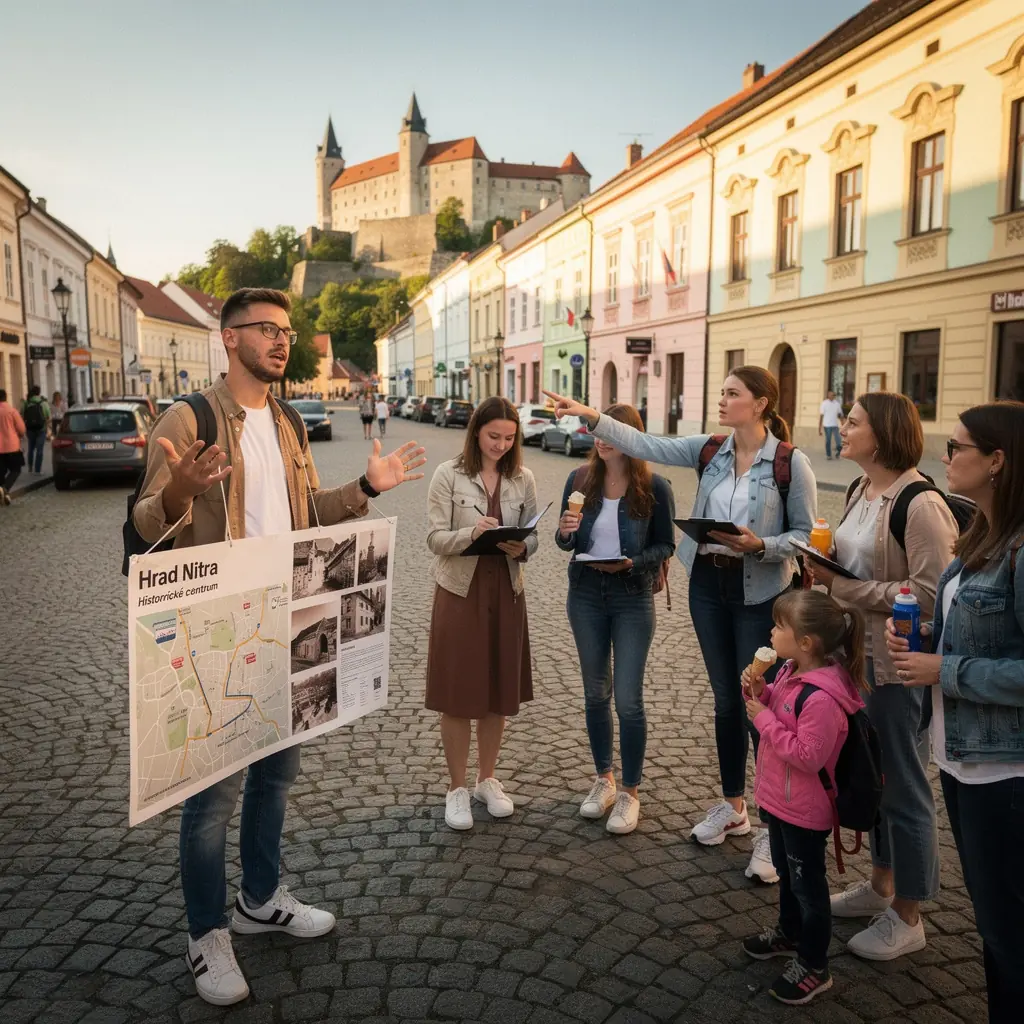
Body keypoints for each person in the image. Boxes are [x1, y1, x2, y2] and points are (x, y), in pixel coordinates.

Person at [133, 287, 426, 1006]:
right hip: (217, 630)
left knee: (277, 778)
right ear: (228, 339)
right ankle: (206, 934)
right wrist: (180, 492)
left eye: (287, 331)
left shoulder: (291, 420)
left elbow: (310, 520)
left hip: (288, 621)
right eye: (265, 329)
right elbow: (144, 527)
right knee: (212, 799)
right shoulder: (190, 416)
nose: (280, 340)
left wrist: (365, 487)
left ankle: (259, 899)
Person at [544, 366, 816, 884]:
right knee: (725, 700)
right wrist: (593, 418)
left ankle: (772, 829)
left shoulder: (789, 463)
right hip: (708, 589)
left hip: (759, 591)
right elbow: (646, 441)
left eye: (732, 393)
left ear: (759, 404)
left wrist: (761, 545)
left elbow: (805, 534)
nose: (722, 399)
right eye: (722, 391)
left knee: (761, 702)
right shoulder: (709, 450)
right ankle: (734, 806)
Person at [886, 401, 1024, 1024]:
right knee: (994, 928)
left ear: (997, 460)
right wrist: (924, 646)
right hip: (962, 759)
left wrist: (946, 670)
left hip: (1006, 771)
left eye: (958, 446)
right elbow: (972, 636)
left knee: (1009, 932)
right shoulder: (980, 537)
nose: (946, 457)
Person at [808, 393, 957, 961]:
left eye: (853, 422)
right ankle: (880, 888)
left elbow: (930, 594)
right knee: (874, 778)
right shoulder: (858, 489)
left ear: (883, 434)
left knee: (904, 784)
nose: (842, 429)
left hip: (895, 663)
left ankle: (910, 915)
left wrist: (843, 588)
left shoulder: (919, 503)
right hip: (855, 657)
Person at [740, 589, 867, 1005]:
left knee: (808, 887)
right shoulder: (790, 672)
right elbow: (778, 706)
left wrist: (764, 721)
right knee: (785, 871)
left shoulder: (824, 698)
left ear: (807, 641)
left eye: (780, 626)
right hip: (780, 801)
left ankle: (815, 964)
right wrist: (760, 692)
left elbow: (808, 756)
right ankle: (789, 932)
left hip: (805, 809)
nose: (772, 632)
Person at [555, 403, 676, 835]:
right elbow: (563, 541)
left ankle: (630, 791)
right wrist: (567, 531)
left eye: (612, 430)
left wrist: (633, 562)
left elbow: (666, 546)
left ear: (632, 437)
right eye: (597, 429)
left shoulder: (655, 488)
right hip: (585, 593)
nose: (602, 437)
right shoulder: (580, 480)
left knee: (628, 699)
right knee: (594, 692)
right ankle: (603, 779)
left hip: (631, 596)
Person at [425, 396, 537, 831]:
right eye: (494, 436)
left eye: (510, 439)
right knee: (456, 691)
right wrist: (470, 533)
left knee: (496, 691)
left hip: (506, 590)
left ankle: (486, 779)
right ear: (476, 432)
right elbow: (434, 538)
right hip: (460, 590)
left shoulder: (522, 477)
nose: (501, 445)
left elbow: (534, 532)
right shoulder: (448, 475)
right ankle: (456, 788)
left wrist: (523, 546)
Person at [0, 389, 26, 505]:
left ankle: (2, 490)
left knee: (1, 471)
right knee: (16, 469)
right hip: (12, 446)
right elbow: (21, 429)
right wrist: (19, 435)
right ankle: (5, 490)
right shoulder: (12, 411)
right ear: (5, 398)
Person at [21, 385, 50, 474]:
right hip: (41, 429)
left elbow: (22, 415)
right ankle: (37, 470)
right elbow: (48, 417)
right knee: (39, 450)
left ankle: (30, 467)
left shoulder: (27, 403)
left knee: (31, 448)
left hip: (30, 429)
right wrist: (47, 426)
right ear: (39, 392)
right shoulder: (43, 403)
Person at [818, 390, 845, 460]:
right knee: (828, 440)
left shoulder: (837, 404)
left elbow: (840, 414)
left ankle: (838, 453)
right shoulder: (824, 403)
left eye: (833, 395)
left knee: (838, 441)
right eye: (830, 395)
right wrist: (819, 428)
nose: (832, 396)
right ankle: (828, 455)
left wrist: (843, 424)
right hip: (827, 425)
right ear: (828, 395)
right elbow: (821, 416)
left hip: (835, 425)